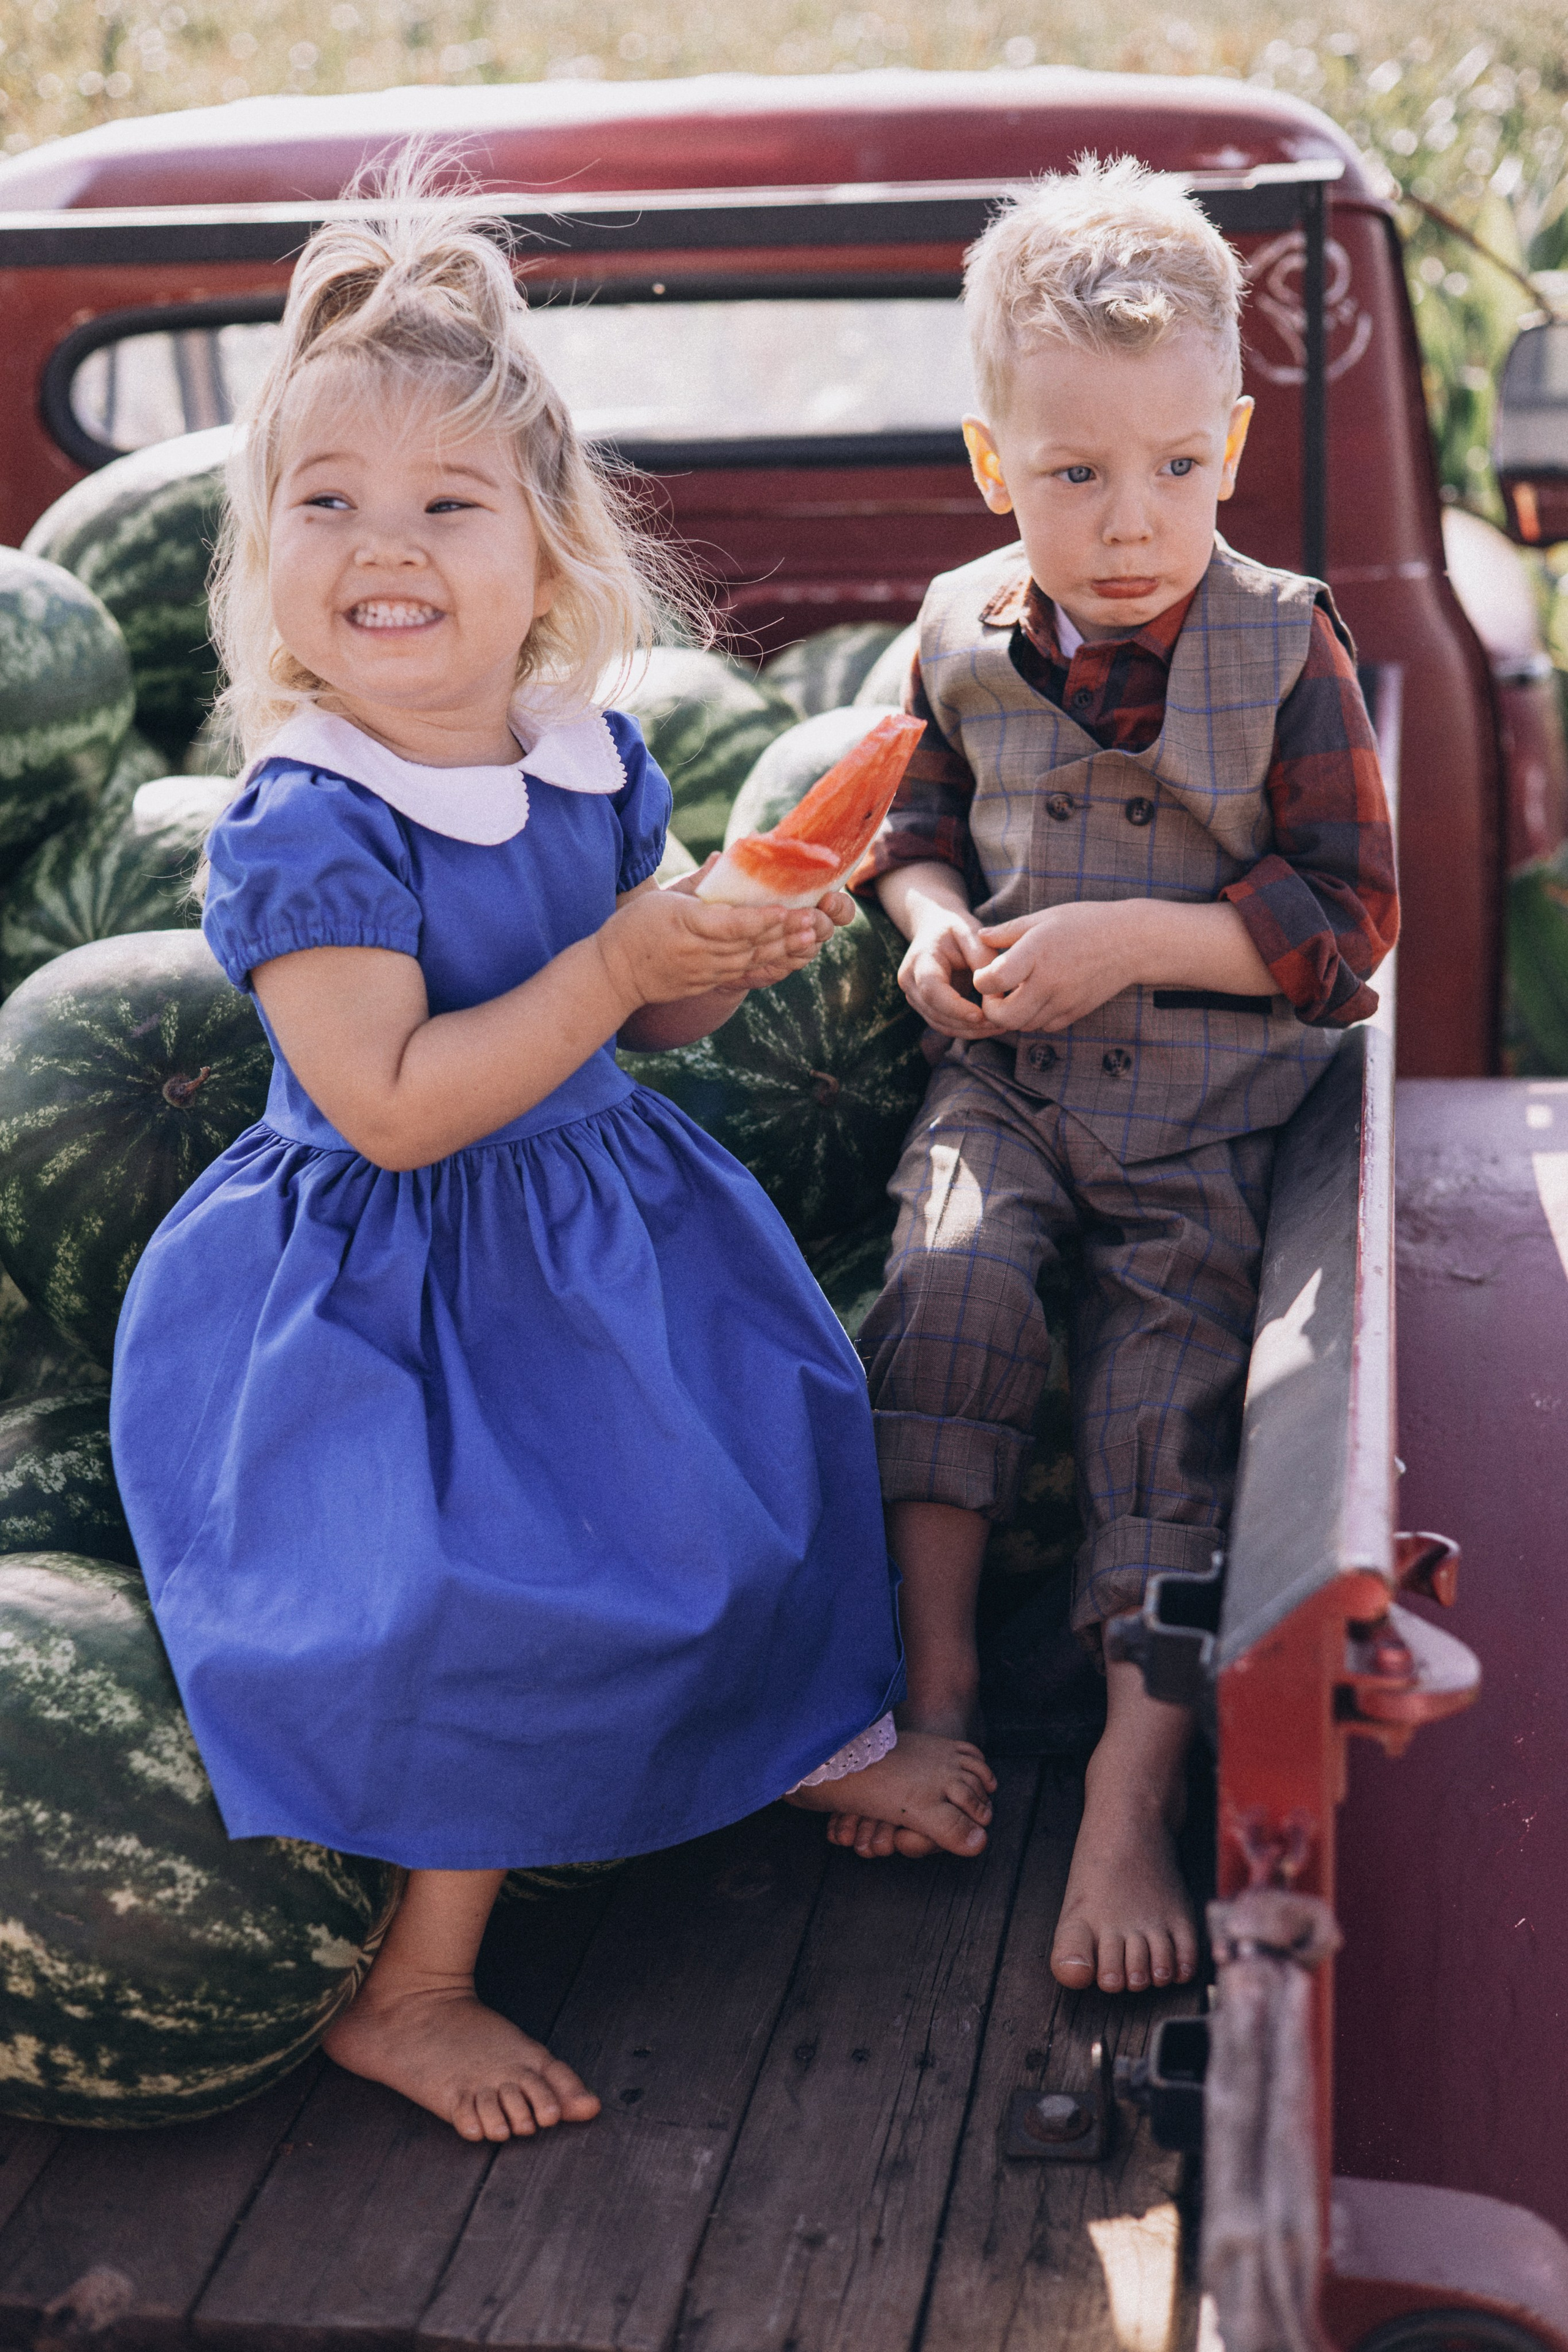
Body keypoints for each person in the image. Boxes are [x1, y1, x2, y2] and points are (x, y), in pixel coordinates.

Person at [109, 185, 997, 2149]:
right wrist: (614, 960)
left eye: (447, 505)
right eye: (326, 502)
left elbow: (646, 1019)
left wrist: (717, 949)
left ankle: (780, 1744)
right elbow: (398, 1104)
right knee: (462, 1609)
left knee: (764, 1463)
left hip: (600, 1235)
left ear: (547, 558)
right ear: (264, 556)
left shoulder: (579, 750)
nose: (383, 546)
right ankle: (413, 1990)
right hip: (382, 1287)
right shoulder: (306, 819)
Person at [850, 157, 1398, 1995]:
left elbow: (1349, 927)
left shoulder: (1286, 641)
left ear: (1232, 441)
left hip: (1208, 1126)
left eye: (1174, 466)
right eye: (1074, 475)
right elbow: (910, 830)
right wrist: (926, 924)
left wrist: (1142, 940)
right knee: (944, 1290)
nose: (1128, 519)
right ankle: (932, 1695)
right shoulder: (952, 632)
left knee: (1167, 1396)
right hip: (1004, 1079)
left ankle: (1125, 1789)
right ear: (996, 465)